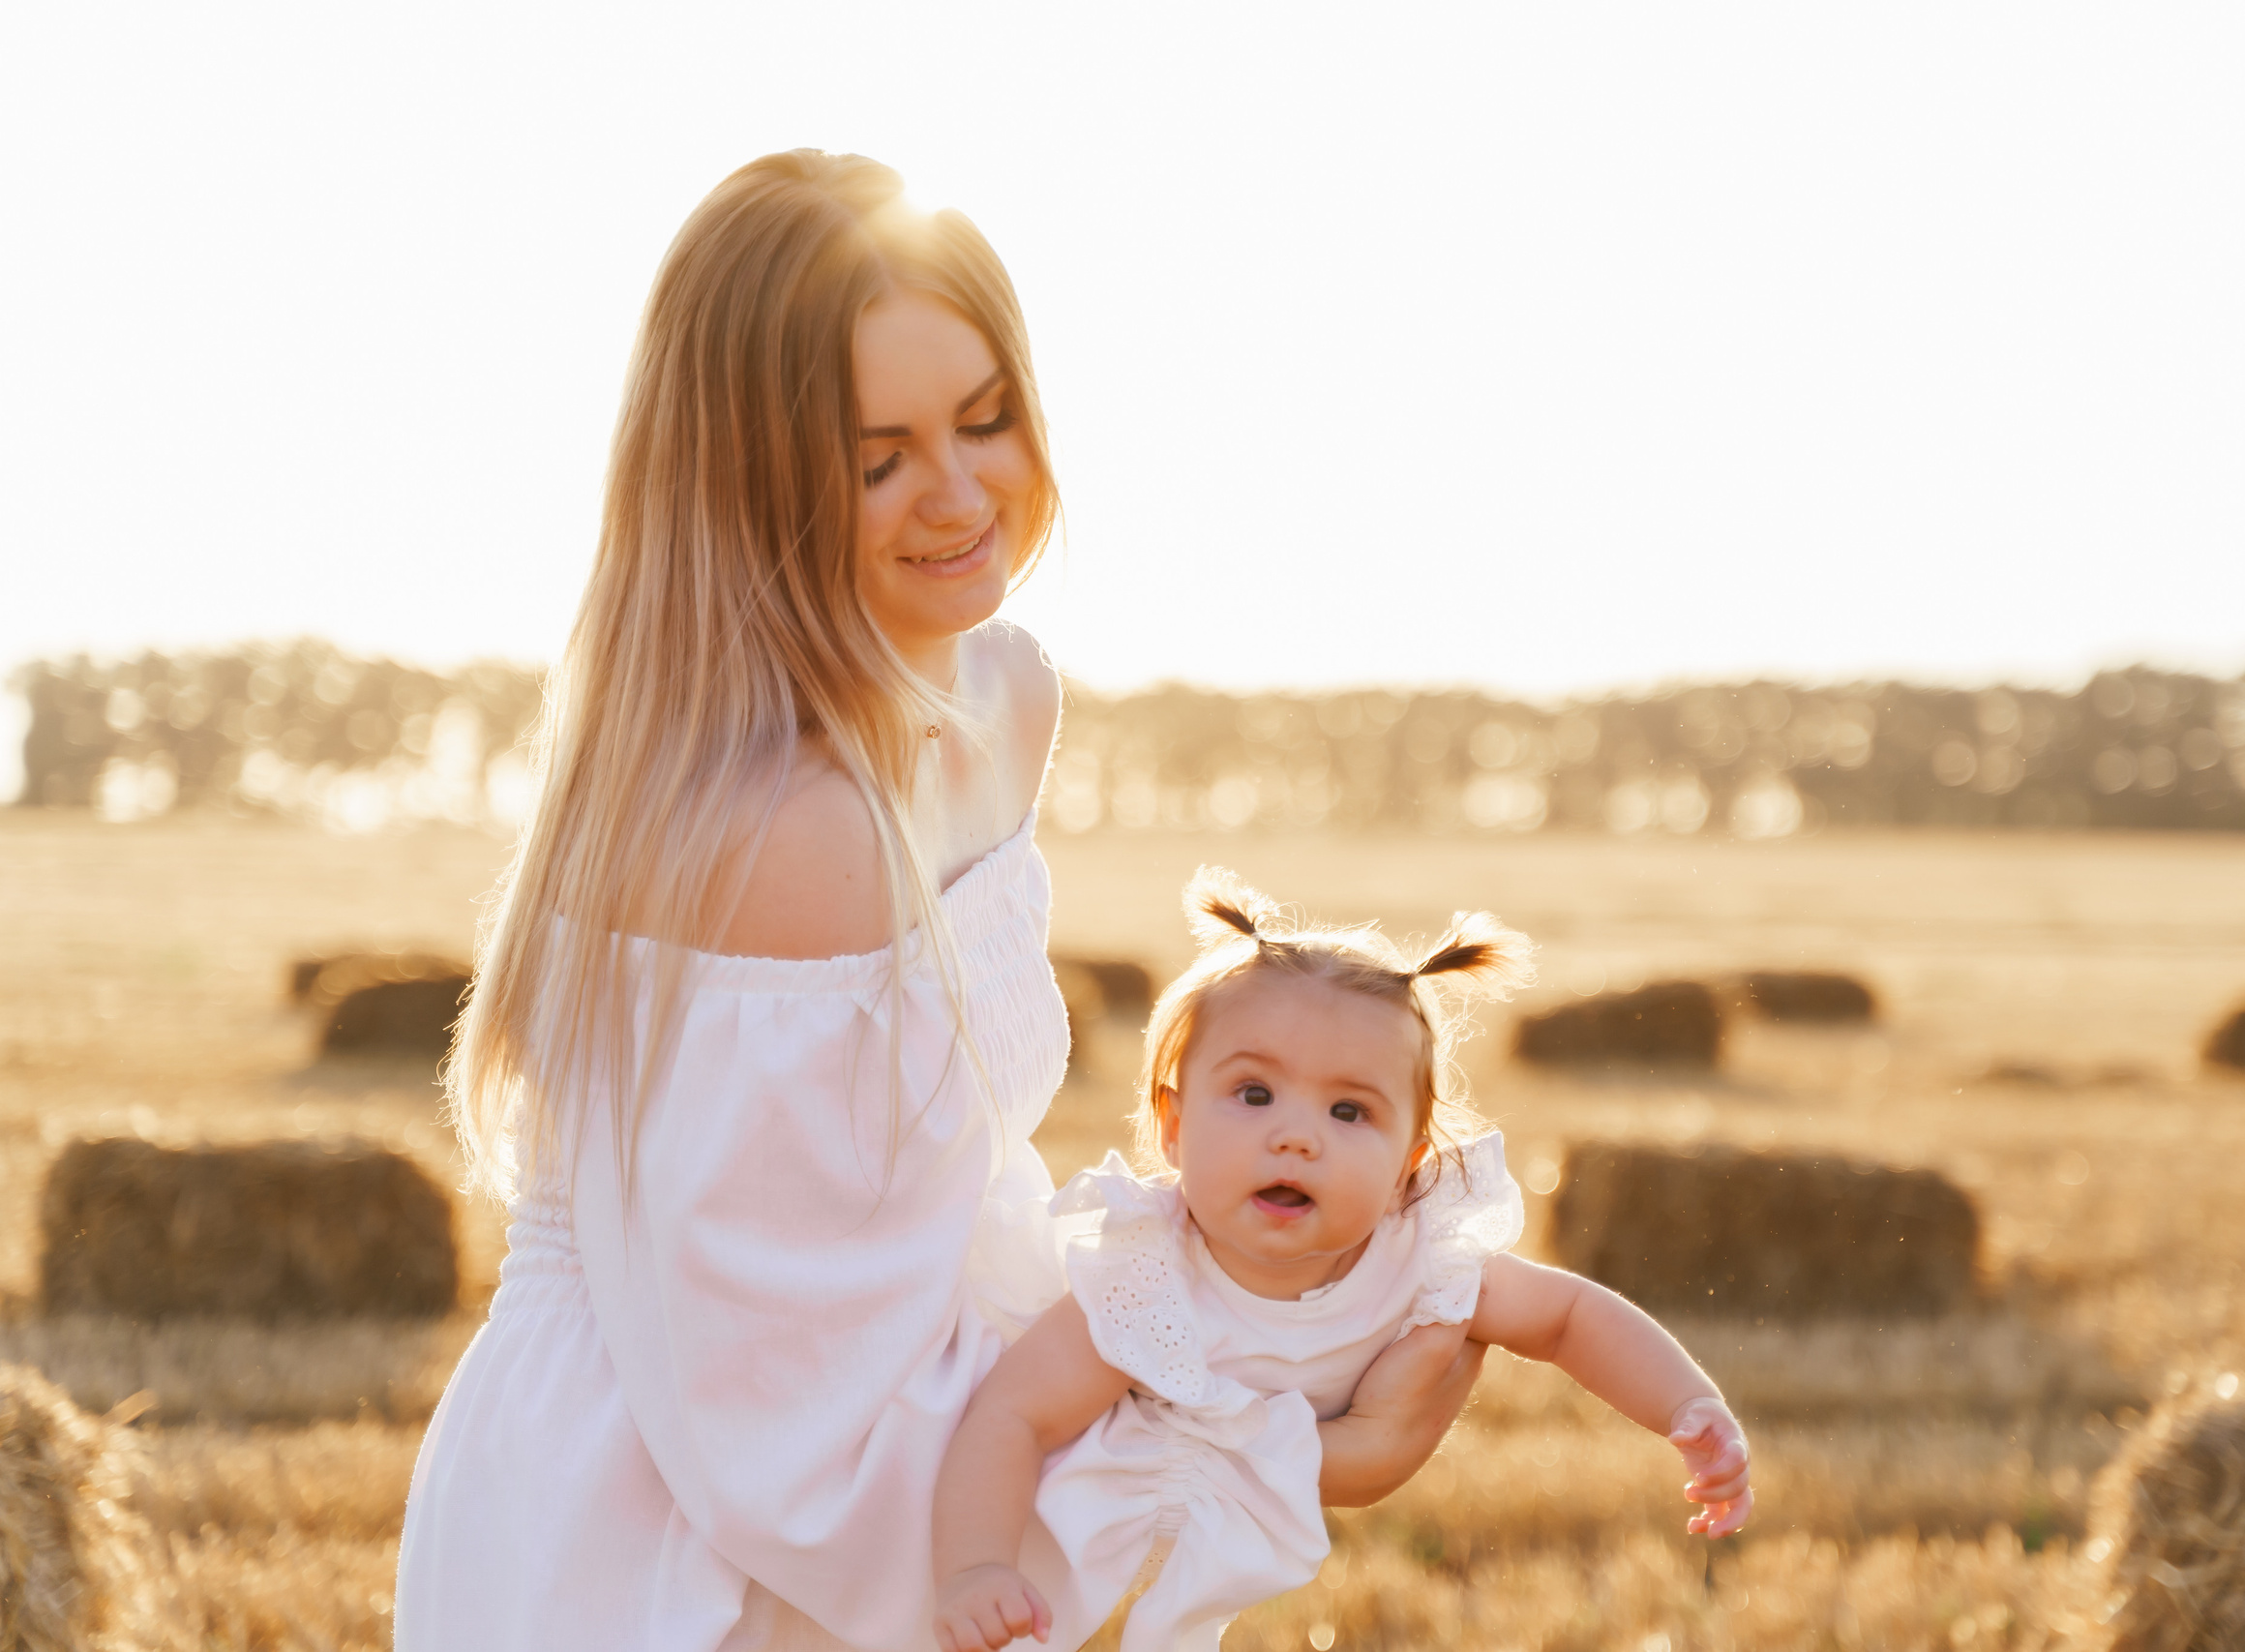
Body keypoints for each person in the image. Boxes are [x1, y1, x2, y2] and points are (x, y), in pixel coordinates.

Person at [393, 151, 1485, 1652]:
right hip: (675, 1536)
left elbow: (932, 1220)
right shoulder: (796, 828)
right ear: (749, 483)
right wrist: (1284, 1441)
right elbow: (787, 1413)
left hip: (866, 1433)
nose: (961, 492)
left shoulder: (1002, 691)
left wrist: (1241, 1316)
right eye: (877, 455)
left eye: (985, 419)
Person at [928, 870, 1755, 1652]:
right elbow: (1015, 1415)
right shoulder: (1146, 1275)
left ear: (1410, 1159)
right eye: (1255, 1094)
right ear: (1172, 1124)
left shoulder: (1417, 1259)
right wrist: (976, 1567)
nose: (1297, 1134)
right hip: (1085, 1539)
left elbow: (1572, 1316)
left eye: (1350, 1109)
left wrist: (1689, 1405)